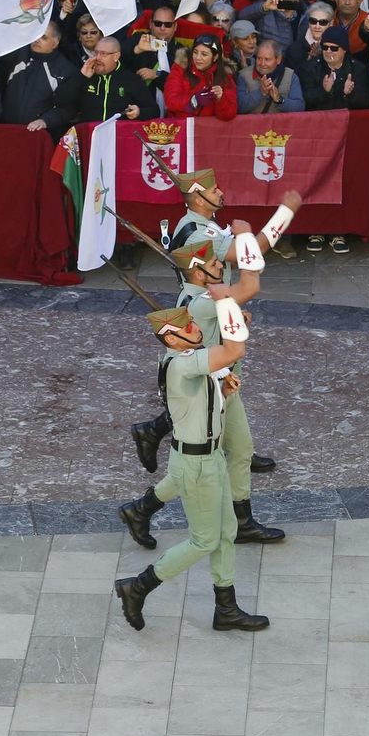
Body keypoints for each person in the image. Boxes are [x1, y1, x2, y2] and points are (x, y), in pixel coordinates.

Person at [120, 231, 290, 550]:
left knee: (231, 454)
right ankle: (145, 509)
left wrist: (233, 316)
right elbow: (249, 289)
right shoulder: (204, 300)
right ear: (199, 272)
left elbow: (214, 328)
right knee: (211, 460)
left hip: (218, 384)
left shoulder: (193, 296)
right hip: (214, 385)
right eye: (214, 263)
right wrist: (247, 237)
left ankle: (144, 507)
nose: (222, 266)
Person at [113, 290, 270, 634]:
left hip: (210, 458)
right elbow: (233, 350)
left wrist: (223, 394)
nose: (196, 328)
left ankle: (226, 609)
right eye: (187, 326)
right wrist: (228, 304)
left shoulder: (188, 357)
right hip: (195, 466)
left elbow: (207, 395)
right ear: (171, 336)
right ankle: (137, 587)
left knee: (227, 532)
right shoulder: (182, 364)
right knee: (204, 540)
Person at [0, 21, 84, 136]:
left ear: (55, 43)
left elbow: (67, 107)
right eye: (35, 35)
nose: (37, 40)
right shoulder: (16, 56)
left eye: (43, 37)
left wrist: (46, 121)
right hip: (6, 131)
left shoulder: (66, 70)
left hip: (40, 136)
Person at [77, 35, 156, 122]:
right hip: (89, 132)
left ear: (116, 56)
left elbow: (154, 110)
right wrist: (81, 78)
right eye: (96, 53)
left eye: (103, 54)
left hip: (120, 133)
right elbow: (65, 102)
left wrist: (139, 112)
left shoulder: (131, 80)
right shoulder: (86, 76)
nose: (98, 58)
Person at [301, 24, 369, 110]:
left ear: (344, 49)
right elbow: (305, 99)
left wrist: (350, 93)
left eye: (334, 48)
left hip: (347, 121)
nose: (328, 51)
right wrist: (324, 90)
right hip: (319, 121)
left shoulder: (358, 69)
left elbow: (365, 102)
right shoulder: (309, 68)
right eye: (325, 47)